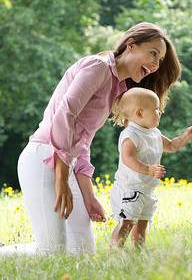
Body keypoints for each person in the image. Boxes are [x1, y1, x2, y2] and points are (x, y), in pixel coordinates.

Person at [1, 22, 181, 255]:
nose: (156, 65)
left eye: (160, 60)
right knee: (51, 252)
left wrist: (89, 196)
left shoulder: (116, 86)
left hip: (67, 165)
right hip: (43, 160)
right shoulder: (99, 67)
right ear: (131, 45)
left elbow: (82, 143)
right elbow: (65, 114)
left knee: (83, 254)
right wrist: (62, 178)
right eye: (153, 54)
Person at [109, 87, 192, 249]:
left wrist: (186, 136)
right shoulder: (131, 134)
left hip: (146, 189)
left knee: (142, 222)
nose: (160, 112)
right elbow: (127, 158)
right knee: (128, 221)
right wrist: (149, 170)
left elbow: (172, 145)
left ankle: (139, 250)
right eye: (156, 109)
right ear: (139, 113)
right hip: (130, 188)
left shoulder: (154, 133)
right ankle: (115, 251)